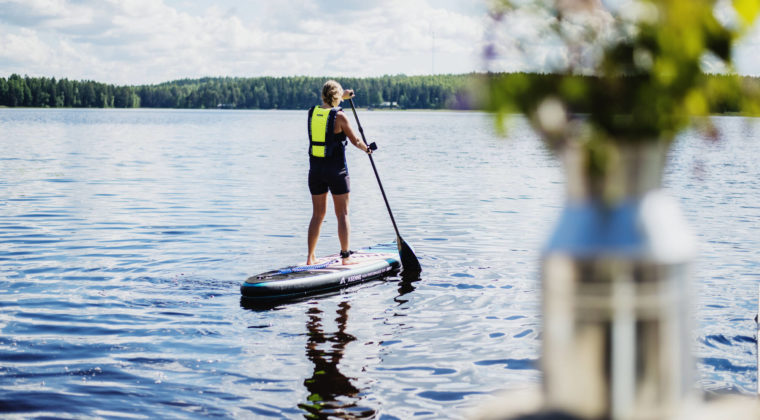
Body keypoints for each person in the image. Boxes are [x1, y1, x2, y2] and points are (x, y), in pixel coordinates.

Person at [307, 80, 371, 265]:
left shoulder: (312, 113)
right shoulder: (341, 118)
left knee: (317, 214)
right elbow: (355, 140)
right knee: (342, 213)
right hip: (336, 171)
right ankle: (346, 257)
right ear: (337, 96)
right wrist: (367, 149)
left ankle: (310, 257)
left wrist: (342, 96)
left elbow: (329, 106)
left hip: (316, 171)